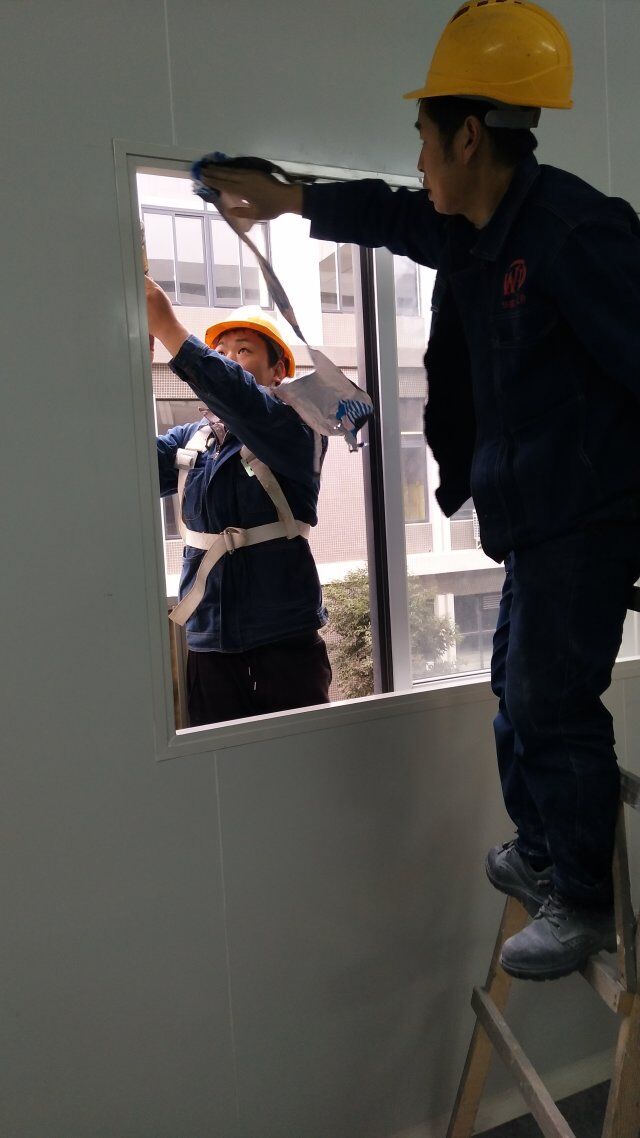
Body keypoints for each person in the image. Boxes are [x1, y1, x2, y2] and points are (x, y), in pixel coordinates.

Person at [197, 0, 640, 980]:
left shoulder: (572, 233)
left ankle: (584, 896)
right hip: (533, 522)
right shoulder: (484, 231)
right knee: (513, 686)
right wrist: (286, 199)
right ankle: (543, 850)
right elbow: (395, 214)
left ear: (468, 135)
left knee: (550, 697)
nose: (419, 161)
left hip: (588, 518)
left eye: (424, 140)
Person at [147, 278, 332, 726]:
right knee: (219, 769)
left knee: (294, 760)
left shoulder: (297, 428)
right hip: (209, 645)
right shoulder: (194, 441)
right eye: (221, 350)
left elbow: (242, 399)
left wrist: (170, 329)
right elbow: (123, 470)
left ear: (277, 371)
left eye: (243, 350)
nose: (228, 359)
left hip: (283, 642)